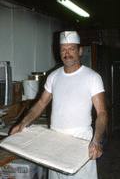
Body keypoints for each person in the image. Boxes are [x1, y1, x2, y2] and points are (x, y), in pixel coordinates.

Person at [10, 31, 108, 179]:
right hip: (55, 142)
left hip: (80, 142)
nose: (67, 53)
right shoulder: (53, 77)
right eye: (63, 49)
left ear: (80, 51)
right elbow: (41, 103)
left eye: (71, 49)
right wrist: (23, 123)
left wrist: (96, 140)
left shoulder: (92, 77)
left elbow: (102, 112)